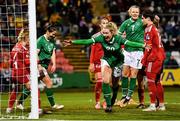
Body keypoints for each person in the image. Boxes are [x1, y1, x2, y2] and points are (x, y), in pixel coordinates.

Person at [64, 22, 150, 112]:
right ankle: (109, 105)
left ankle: (116, 94)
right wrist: (72, 42)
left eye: (106, 33)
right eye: (103, 33)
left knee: (114, 84)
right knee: (105, 81)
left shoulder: (118, 38)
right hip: (107, 59)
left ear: (112, 32)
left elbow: (130, 43)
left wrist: (143, 45)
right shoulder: (100, 38)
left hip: (118, 61)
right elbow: (87, 41)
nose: (104, 35)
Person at [6, 29, 41, 113]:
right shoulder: (23, 49)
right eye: (30, 39)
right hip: (21, 72)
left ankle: (9, 108)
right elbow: (27, 62)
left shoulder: (15, 46)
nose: (31, 40)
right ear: (26, 38)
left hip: (14, 72)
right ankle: (38, 109)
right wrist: (37, 60)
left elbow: (10, 62)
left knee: (16, 89)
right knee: (35, 88)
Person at [141, 11, 166, 111]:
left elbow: (148, 47)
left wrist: (143, 60)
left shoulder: (149, 29)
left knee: (151, 81)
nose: (142, 20)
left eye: (143, 18)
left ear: (148, 19)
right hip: (161, 56)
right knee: (157, 81)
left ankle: (152, 105)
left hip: (154, 58)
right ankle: (161, 105)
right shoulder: (155, 28)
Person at [37, 24, 64, 110]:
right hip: (38, 66)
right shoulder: (40, 40)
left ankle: (19, 103)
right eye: (53, 34)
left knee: (30, 86)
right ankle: (53, 105)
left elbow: (52, 52)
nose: (54, 35)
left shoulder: (52, 40)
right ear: (48, 32)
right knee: (49, 83)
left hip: (44, 65)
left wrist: (54, 64)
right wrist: (39, 65)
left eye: (55, 34)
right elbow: (35, 54)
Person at [89, 17, 108, 109]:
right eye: (103, 23)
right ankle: (97, 102)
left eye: (107, 23)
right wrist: (91, 63)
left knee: (107, 82)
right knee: (99, 81)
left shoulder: (111, 35)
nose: (105, 25)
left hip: (108, 61)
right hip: (98, 62)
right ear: (100, 25)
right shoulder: (95, 37)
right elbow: (92, 51)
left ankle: (105, 101)